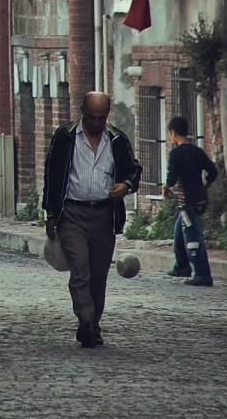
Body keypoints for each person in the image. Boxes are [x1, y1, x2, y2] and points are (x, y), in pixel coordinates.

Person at [42, 92, 142, 348]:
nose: (95, 123)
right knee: (80, 271)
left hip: (104, 216)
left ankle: (93, 324)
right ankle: (85, 321)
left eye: (101, 117)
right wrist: (50, 214)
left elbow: (133, 168)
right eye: (91, 117)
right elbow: (52, 174)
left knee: (98, 276)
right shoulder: (65, 136)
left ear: (107, 114)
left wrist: (126, 185)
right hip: (72, 214)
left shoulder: (117, 139)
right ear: (82, 110)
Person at [161, 116, 218, 287]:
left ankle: (202, 274)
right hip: (199, 199)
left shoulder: (176, 153)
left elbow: (171, 178)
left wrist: (165, 188)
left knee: (192, 238)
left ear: (173, 133)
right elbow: (212, 171)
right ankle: (182, 266)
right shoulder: (197, 151)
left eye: (169, 134)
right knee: (179, 233)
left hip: (188, 203)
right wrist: (205, 187)